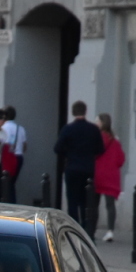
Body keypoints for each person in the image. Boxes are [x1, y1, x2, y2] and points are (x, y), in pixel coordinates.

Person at [53, 100, 104, 231]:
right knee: (86, 201)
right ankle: (87, 228)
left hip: (72, 167)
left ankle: (74, 227)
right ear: (85, 112)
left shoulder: (68, 129)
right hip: (88, 168)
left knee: (72, 200)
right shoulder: (93, 129)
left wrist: (69, 152)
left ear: (73, 112)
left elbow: (57, 148)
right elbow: (100, 149)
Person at [90, 112, 126, 242]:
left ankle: (92, 230)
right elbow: (121, 160)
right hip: (111, 176)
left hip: (97, 174)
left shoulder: (96, 138)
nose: (95, 123)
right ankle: (110, 231)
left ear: (101, 123)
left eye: (96, 121)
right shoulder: (115, 140)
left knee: (94, 205)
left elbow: (92, 154)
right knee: (110, 205)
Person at [1, 106, 28, 203]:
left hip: (7, 158)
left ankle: (8, 203)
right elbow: (24, 146)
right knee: (12, 183)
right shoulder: (20, 129)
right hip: (19, 157)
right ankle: (12, 202)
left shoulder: (3, 128)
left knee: (6, 183)